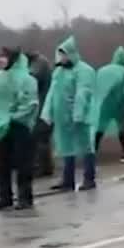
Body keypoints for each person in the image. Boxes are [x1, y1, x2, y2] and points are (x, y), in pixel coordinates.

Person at [0, 46, 40, 210]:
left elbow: (31, 104)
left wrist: (14, 115)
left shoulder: (27, 79)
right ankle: (5, 196)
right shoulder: (0, 77)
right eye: (1, 56)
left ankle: (25, 197)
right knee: (2, 162)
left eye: (4, 57)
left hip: (21, 125)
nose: (1, 60)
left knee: (23, 163)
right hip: (3, 125)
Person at [41, 36, 98, 191]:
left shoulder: (84, 70)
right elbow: (52, 93)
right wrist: (47, 113)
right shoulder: (58, 72)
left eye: (65, 54)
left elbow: (83, 93)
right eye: (60, 55)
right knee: (65, 147)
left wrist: (78, 114)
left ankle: (89, 178)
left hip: (80, 116)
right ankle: (67, 180)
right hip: (62, 117)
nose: (62, 58)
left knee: (86, 146)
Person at [92, 47, 124, 162]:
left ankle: (93, 149)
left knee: (101, 125)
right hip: (117, 101)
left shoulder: (102, 70)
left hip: (103, 102)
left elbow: (96, 86)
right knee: (121, 125)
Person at [25, 50, 55, 178]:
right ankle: (45, 166)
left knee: (40, 137)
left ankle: (42, 167)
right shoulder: (42, 62)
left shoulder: (39, 63)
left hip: (43, 106)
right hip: (44, 105)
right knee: (43, 138)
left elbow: (34, 78)